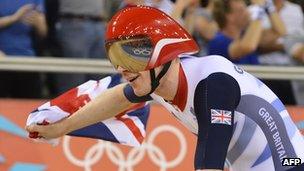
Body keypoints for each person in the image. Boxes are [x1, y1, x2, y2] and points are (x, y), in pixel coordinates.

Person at [26, 6, 304, 171]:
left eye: (128, 57)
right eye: (115, 58)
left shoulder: (212, 85)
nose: (121, 68)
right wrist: (63, 127)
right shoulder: (159, 78)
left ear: (163, 54)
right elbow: (116, 99)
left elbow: (210, 160)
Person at [0, 1, 47, 98]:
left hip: (27, 59)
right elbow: (16, 17)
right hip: (3, 59)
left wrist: (38, 23)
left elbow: (43, 32)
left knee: (30, 103)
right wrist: (15, 18)